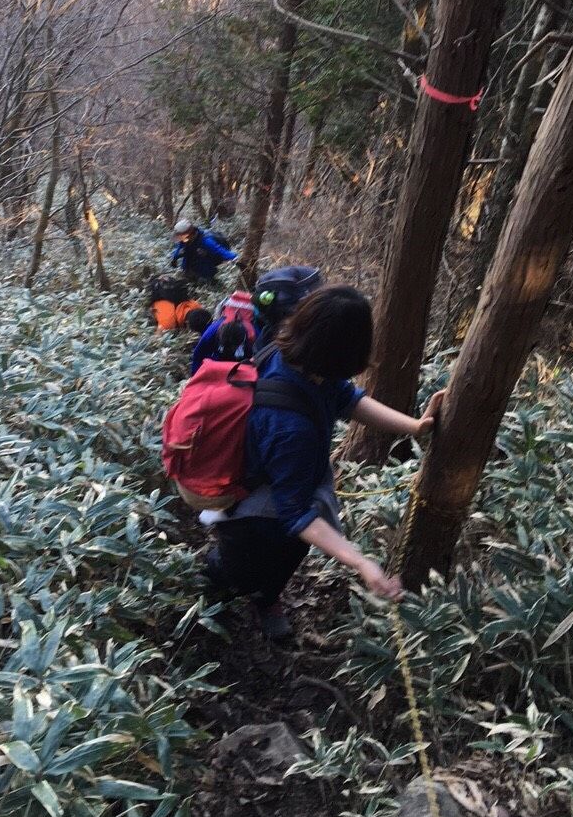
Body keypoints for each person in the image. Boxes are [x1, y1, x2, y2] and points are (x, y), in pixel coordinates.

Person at [205, 285, 444, 641]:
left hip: (290, 484)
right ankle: (214, 595)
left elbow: (348, 399)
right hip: (255, 509)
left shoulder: (296, 357)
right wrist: (362, 563)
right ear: (344, 352)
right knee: (240, 566)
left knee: (288, 554)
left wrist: (415, 427)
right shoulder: (290, 427)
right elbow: (296, 514)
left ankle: (267, 598)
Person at [170, 219, 238, 283]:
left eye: (183, 238)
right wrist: (175, 258)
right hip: (190, 263)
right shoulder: (184, 240)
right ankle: (188, 274)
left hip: (205, 264)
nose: (182, 240)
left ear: (191, 235)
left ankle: (208, 279)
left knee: (201, 256)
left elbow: (221, 252)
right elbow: (179, 248)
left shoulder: (206, 241)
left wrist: (236, 258)